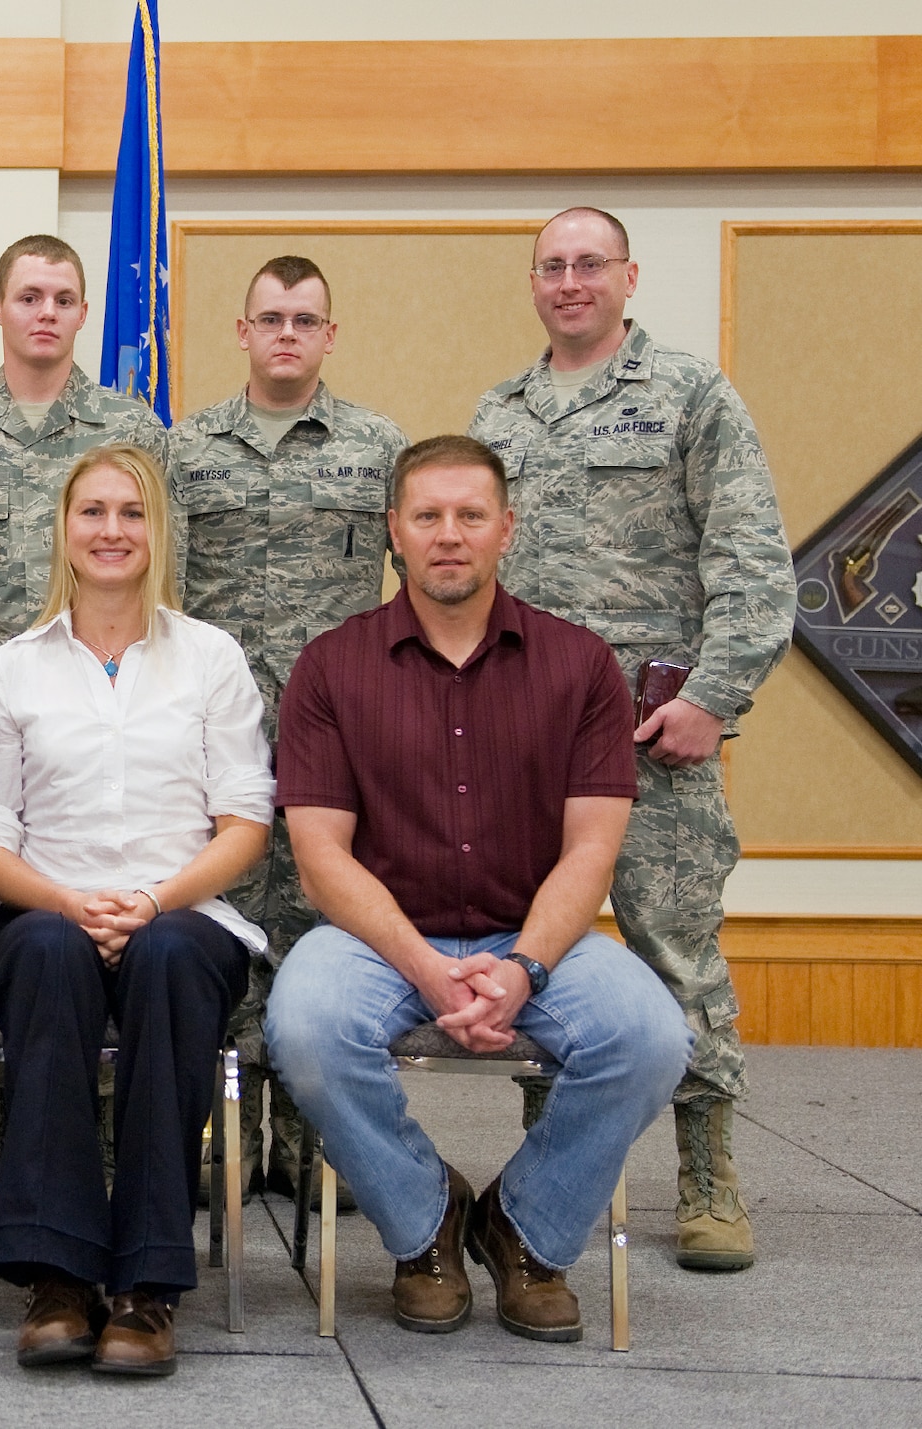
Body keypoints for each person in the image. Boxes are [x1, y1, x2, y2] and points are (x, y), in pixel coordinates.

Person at [265, 436, 693, 1343]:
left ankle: (523, 1229)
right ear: (395, 531)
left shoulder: (580, 667)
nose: (448, 536)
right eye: (427, 516)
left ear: (508, 528)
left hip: (535, 929)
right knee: (303, 1027)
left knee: (653, 1036)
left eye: (469, 516)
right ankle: (427, 1224)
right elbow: (320, 858)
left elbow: (590, 852)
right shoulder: (330, 668)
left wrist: (526, 967)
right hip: (380, 936)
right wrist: (424, 967)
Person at [468, 207, 795, 1271]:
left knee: (676, 954)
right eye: (551, 266)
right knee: (538, 954)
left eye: (587, 264)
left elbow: (751, 564)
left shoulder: (687, 394)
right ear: (530, 283)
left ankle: (706, 1178)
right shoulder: (499, 413)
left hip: (652, 739)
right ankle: (539, 1177)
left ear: (626, 276)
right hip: (524, 744)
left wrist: (712, 697)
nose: (569, 281)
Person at [0, 444, 272, 1377]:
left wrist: (150, 899)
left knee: (172, 954)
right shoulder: (13, 668)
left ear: (155, 531)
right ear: (63, 528)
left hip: (183, 913)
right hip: (46, 909)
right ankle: (56, 1277)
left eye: (130, 513)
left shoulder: (210, 658)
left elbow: (245, 821)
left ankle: (144, 1286)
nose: (111, 531)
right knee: (49, 950)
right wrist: (68, 898)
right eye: (92, 512)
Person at [0, 232, 173, 1210]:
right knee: (3, 929)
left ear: (82, 312)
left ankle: (106, 1135)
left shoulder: (131, 428)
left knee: (120, 912)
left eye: (63, 296)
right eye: (28, 295)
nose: (45, 312)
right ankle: (14, 1137)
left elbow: (155, 555)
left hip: (117, 708)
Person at [171, 253, 407, 1202]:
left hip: (338, 727)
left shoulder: (379, 447)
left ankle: (312, 1139)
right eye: (269, 317)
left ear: (330, 334)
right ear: (241, 330)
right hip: (215, 726)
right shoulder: (184, 450)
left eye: (305, 320)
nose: (286, 335)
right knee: (225, 921)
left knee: (319, 919)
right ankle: (227, 1130)